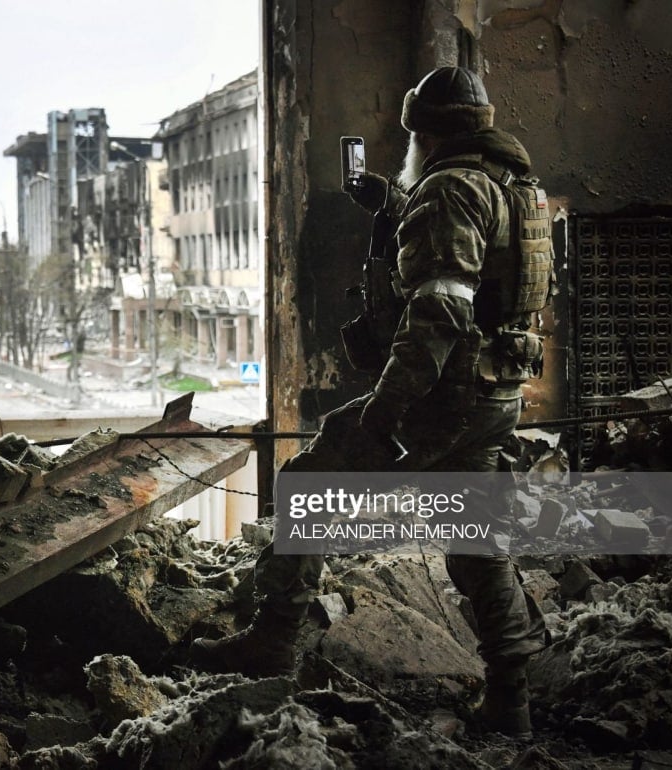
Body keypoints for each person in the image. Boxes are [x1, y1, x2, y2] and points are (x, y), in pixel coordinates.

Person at [190, 66, 550, 738]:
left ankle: (271, 644)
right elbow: (483, 275)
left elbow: (440, 311)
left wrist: (386, 412)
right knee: (478, 543)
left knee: (306, 489)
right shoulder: (512, 185)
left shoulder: (448, 191)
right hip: (494, 391)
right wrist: (391, 206)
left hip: (441, 399)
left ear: (424, 131)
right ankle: (512, 700)